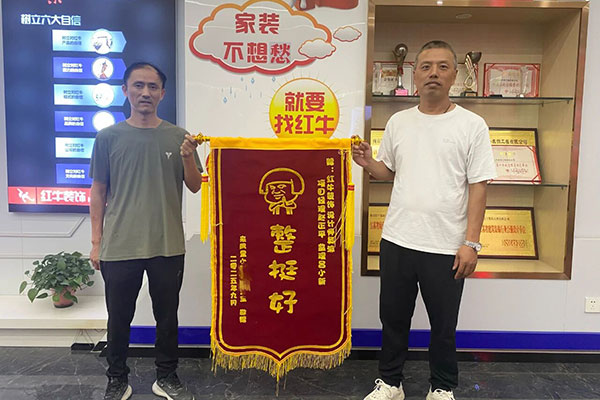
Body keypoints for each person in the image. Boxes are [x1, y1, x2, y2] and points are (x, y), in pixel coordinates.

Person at [353, 41, 497, 400]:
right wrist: (368, 162)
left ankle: (442, 387)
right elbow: (389, 172)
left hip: (446, 246)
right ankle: (391, 383)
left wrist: (471, 243)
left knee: (443, 325)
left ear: (455, 75)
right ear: (414, 74)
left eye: (443, 66)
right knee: (393, 319)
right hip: (398, 240)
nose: (434, 73)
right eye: (426, 66)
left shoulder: (472, 125)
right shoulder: (399, 122)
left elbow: (479, 187)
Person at [89, 62, 203, 400]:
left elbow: (195, 185)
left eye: (153, 87)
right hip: (119, 245)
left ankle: (166, 377)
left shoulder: (179, 136)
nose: (145, 93)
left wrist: (187, 157)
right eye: (138, 85)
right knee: (118, 318)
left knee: (167, 317)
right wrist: (96, 242)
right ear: (125, 90)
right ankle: (117, 379)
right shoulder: (108, 137)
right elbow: (98, 191)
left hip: (167, 245)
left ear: (162, 94)